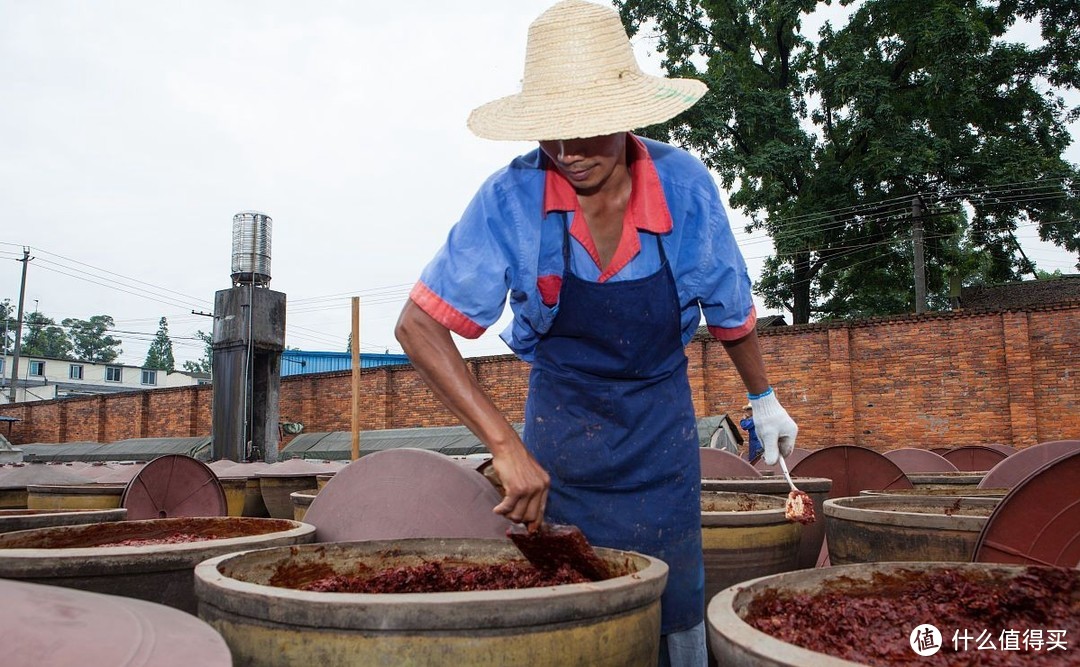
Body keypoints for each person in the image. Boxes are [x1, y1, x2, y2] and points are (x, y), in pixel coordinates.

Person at [394, 1, 798, 664]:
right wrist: (505, 445)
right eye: (553, 133)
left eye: (588, 131)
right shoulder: (511, 199)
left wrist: (763, 398)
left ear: (627, 117)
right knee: (570, 616)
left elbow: (730, 309)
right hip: (561, 436)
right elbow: (418, 324)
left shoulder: (684, 187)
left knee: (672, 617)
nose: (569, 153)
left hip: (658, 434)